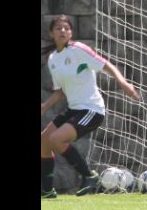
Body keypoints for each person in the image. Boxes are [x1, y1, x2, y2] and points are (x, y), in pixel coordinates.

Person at [41, 15, 140, 198]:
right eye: (58, 28)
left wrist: (123, 82)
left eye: (66, 28)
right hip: (74, 109)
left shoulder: (79, 50)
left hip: (91, 109)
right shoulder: (53, 58)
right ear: (51, 33)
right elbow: (60, 91)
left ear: (71, 32)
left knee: (56, 139)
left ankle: (89, 176)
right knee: (44, 141)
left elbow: (105, 64)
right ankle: (47, 190)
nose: (62, 31)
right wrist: (45, 106)